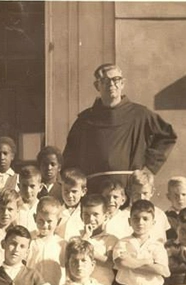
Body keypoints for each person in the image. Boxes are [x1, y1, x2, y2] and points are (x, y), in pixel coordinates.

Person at [61, 63, 177, 192]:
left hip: (129, 186)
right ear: (97, 86)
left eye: (116, 80)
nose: (111, 84)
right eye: (105, 81)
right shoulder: (85, 120)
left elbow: (167, 136)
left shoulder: (140, 114)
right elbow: (70, 156)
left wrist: (148, 169)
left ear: (122, 84)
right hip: (94, 190)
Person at [126, 169, 171, 242]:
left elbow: (163, 240)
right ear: (129, 192)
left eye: (145, 193)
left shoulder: (160, 214)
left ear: (152, 192)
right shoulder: (122, 216)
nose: (141, 198)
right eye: (136, 194)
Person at [55, 168, 88, 240]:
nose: (69, 195)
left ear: (83, 192)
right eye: (66, 191)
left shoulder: (86, 212)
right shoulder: (56, 211)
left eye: (74, 191)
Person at [16, 165, 42, 233]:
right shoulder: (14, 208)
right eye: (24, 186)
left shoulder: (43, 208)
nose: (28, 190)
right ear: (19, 186)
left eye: (32, 186)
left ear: (40, 187)